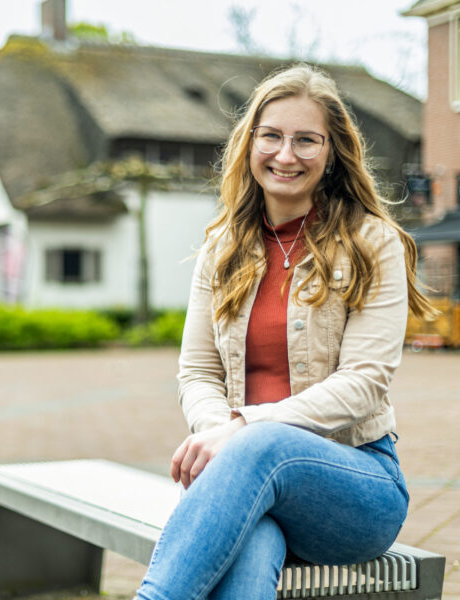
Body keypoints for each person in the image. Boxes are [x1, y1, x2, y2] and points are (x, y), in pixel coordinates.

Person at [134, 63, 436, 600]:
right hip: (247, 480)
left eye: (306, 140)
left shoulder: (373, 242)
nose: (286, 154)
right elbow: (198, 372)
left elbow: (365, 380)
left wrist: (242, 429)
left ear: (332, 152)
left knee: (265, 444)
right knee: (250, 549)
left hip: (355, 487)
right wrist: (224, 432)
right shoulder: (222, 247)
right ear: (250, 143)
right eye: (271, 136)